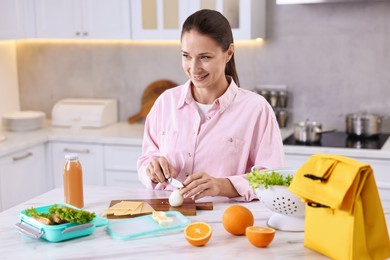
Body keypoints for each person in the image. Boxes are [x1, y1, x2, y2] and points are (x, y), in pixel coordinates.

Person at [137, 9, 284, 201]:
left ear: (229, 53)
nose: (194, 68)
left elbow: (272, 178)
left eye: (205, 57)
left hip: (225, 222)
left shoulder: (255, 109)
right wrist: (152, 168)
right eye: (186, 56)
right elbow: (146, 160)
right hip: (168, 218)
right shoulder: (165, 102)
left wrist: (223, 185)